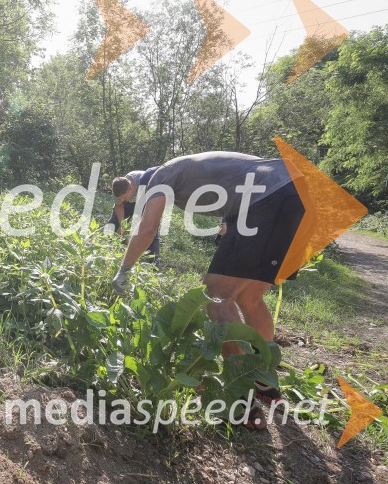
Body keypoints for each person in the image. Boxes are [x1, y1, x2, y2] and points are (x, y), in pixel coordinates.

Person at [111, 152, 305, 428]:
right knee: (249, 297)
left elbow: (147, 229)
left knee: (214, 297)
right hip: (297, 194)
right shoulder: (194, 169)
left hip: (266, 200)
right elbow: (237, 182)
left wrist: (124, 270)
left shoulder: (161, 176)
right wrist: (228, 224)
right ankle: (265, 381)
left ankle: (240, 398)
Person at [108, 168, 161, 262]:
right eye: (121, 198)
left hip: (147, 201)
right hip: (130, 203)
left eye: (125, 197)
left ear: (131, 189)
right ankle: (108, 249)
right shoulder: (117, 187)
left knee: (151, 228)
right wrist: (122, 225)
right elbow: (119, 206)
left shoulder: (147, 181)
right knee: (113, 224)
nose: (122, 200)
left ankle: (152, 262)